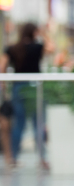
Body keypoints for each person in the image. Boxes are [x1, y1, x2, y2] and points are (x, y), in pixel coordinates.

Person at [0, 23, 54, 167]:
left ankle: (13, 159)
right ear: (34, 32)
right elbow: (51, 48)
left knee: (19, 124)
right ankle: (42, 159)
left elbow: (1, 66)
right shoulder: (37, 47)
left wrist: (4, 85)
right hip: (35, 87)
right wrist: (44, 34)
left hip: (18, 87)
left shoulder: (12, 48)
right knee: (38, 123)